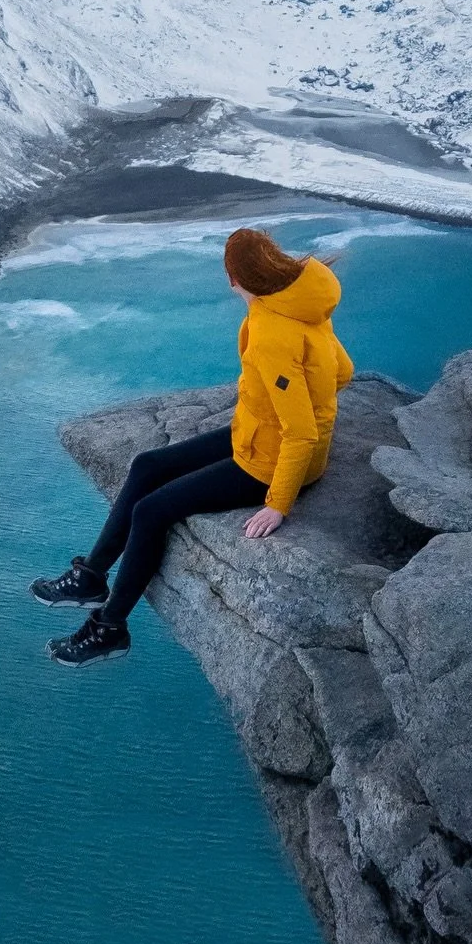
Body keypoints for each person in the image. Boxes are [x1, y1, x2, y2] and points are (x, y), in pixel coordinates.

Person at [32, 226, 353, 666]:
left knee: (151, 511)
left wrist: (278, 503)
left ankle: (110, 628)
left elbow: (299, 432)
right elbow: (343, 371)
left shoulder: (272, 331)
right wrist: (293, 404)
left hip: (269, 462)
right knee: (147, 465)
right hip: (254, 437)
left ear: (233, 278)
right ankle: (91, 577)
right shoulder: (299, 303)